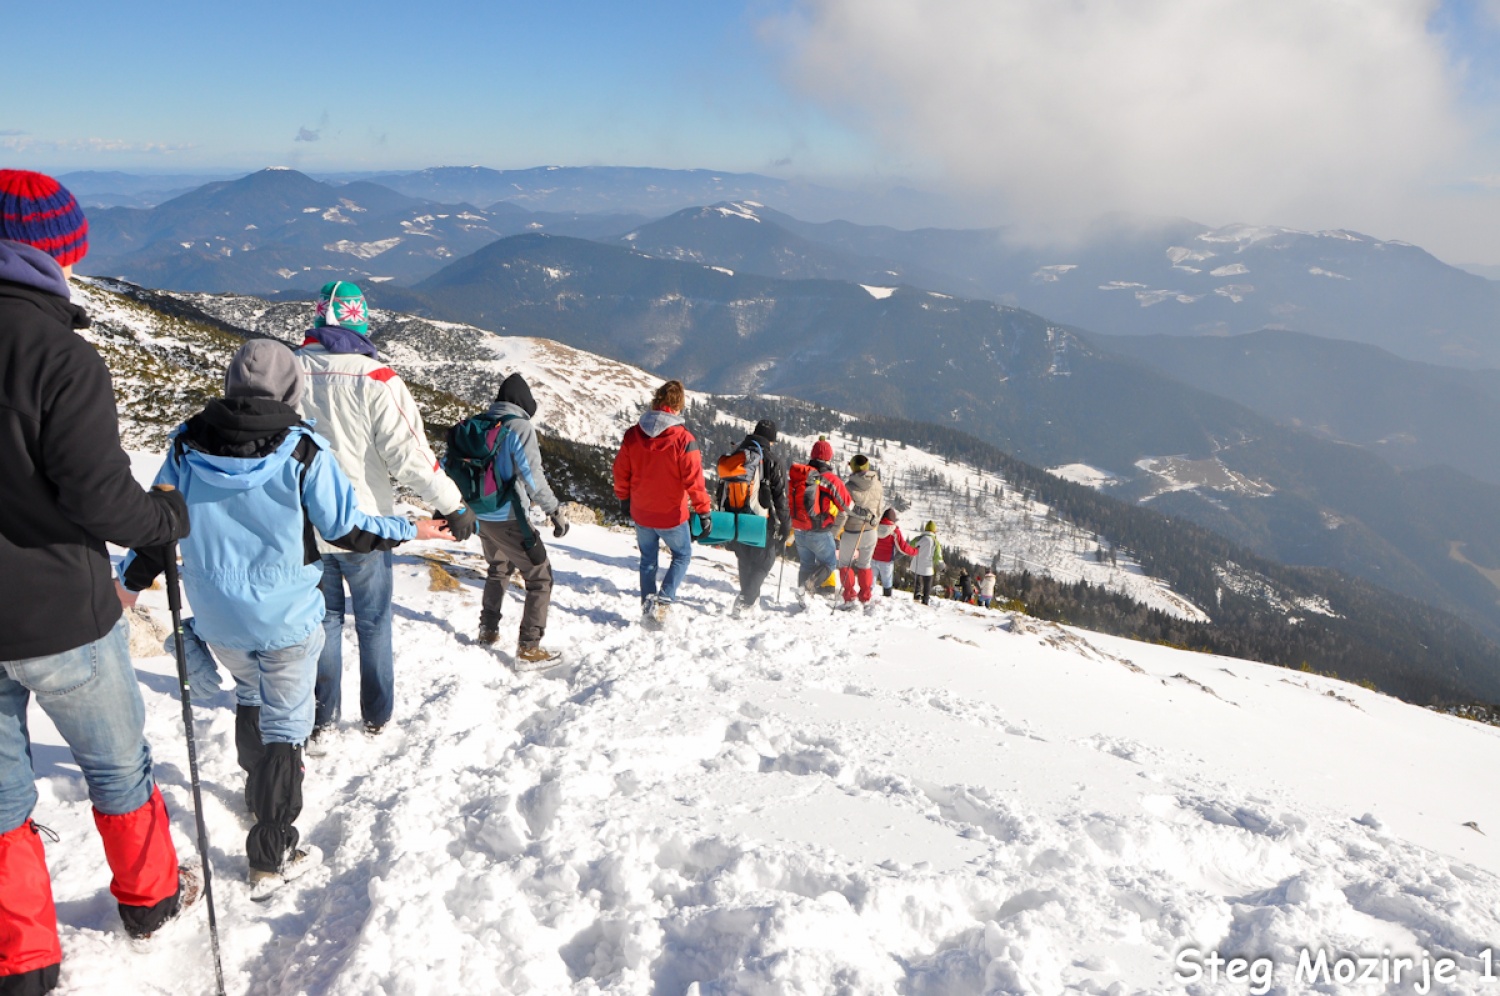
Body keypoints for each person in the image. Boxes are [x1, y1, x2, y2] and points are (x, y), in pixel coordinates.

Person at [120, 340, 446, 899]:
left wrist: (126, 587)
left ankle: (256, 796)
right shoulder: (303, 450)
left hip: (218, 613)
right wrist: (411, 529)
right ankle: (272, 852)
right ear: (292, 388)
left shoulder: (186, 444)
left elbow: (159, 524)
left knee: (251, 696)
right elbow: (347, 531)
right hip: (287, 614)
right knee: (286, 726)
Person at [0, 170, 195, 994]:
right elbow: (96, 495)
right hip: (62, 612)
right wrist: (165, 522)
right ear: (55, 255)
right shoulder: (61, 356)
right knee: (117, 765)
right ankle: (149, 901)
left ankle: (23, 961)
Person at [296, 281, 477, 738]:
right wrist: (453, 505)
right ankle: (376, 715)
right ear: (362, 321)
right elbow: (410, 458)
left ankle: (322, 717)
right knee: (374, 622)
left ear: (318, 318)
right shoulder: (376, 380)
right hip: (366, 524)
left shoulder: (291, 370)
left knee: (324, 621)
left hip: (305, 525)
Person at [460, 373, 570, 667]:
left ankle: (488, 630)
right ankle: (529, 648)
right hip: (508, 515)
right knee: (540, 576)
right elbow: (532, 476)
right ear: (524, 402)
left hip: (480, 513)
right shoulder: (519, 427)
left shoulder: (481, 423)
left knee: (498, 569)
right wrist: (554, 510)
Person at [613, 380, 712, 628]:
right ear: (678, 406)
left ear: (656, 401)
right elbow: (695, 482)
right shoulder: (684, 439)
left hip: (641, 512)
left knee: (648, 559)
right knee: (682, 555)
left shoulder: (632, 434)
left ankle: (648, 606)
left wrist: (625, 499)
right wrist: (704, 512)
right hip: (671, 515)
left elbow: (620, 472)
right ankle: (664, 601)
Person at [723, 419, 790, 614]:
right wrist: (786, 525)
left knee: (745, 558)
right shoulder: (772, 460)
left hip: (734, 516)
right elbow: (781, 498)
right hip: (760, 518)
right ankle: (745, 600)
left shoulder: (736, 454)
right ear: (771, 440)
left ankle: (747, 601)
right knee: (764, 561)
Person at [789, 439, 852, 601]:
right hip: (819, 530)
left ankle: (802, 597)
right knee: (830, 563)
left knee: (806, 564)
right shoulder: (829, 479)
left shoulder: (802, 475)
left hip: (799, 527)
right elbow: (846, 504)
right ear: (828, 458)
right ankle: (807, 587)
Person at [836, 454, 883, 607]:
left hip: (851, 531)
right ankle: (865, 596)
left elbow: (843, 513)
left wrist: (835, 531)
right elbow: (879, 508)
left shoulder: (848, 487)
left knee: (845, 564)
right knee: (865, 564)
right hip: (871, 531)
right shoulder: (878, 484)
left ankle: (849, 596)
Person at [871, 508, 918, 597]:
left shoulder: (874, 527)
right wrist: (915, 551)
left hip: (872, 559)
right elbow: (903, 548)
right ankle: (887, 600)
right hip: (886, 562)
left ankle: (866, 600)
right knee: (887, 584)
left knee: (870, 583)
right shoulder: (894, 531)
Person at [911, 521, 943, 605]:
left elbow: (909, 547)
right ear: (934, 531)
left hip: (916, 565)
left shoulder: (918, 538)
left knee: (917, 580)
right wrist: (942, 567)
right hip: (927, 567)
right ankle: (925, 599)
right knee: (927, 582)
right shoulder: (935, 542)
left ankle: (917, 595)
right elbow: (938, 557)